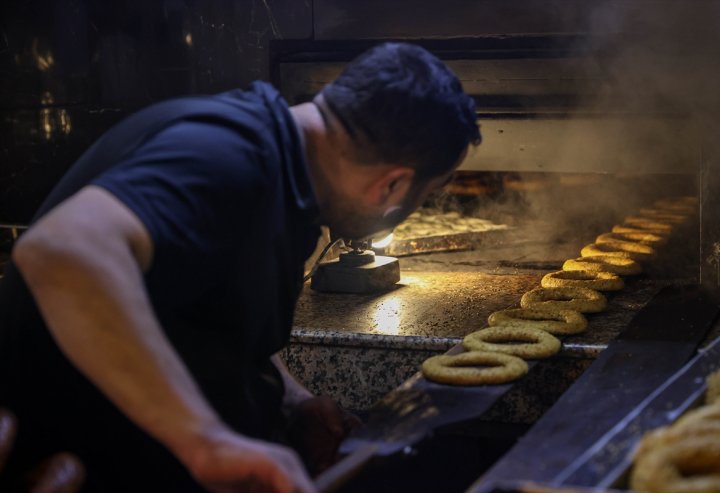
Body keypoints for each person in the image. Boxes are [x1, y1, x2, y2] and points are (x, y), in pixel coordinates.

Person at [0, 42, 480, 492]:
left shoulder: (285, 176)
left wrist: (293, 402)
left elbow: (201, 310)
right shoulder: (228, 154)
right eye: (425, 194)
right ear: (392, 186)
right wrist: (208, 442)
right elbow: (62, 249)